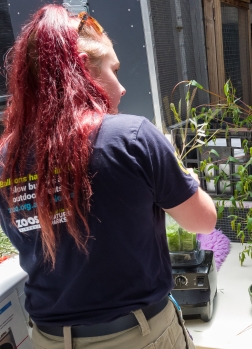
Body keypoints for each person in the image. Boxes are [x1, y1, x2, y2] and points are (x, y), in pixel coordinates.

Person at [0, 5, 217, 349]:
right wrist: (183, 175)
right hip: (138, 336)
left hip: (47, 340)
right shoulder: (132, 137)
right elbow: (203, 221)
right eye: (113, 70)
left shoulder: (6, 160)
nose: (123, 86)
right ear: (84, 69)